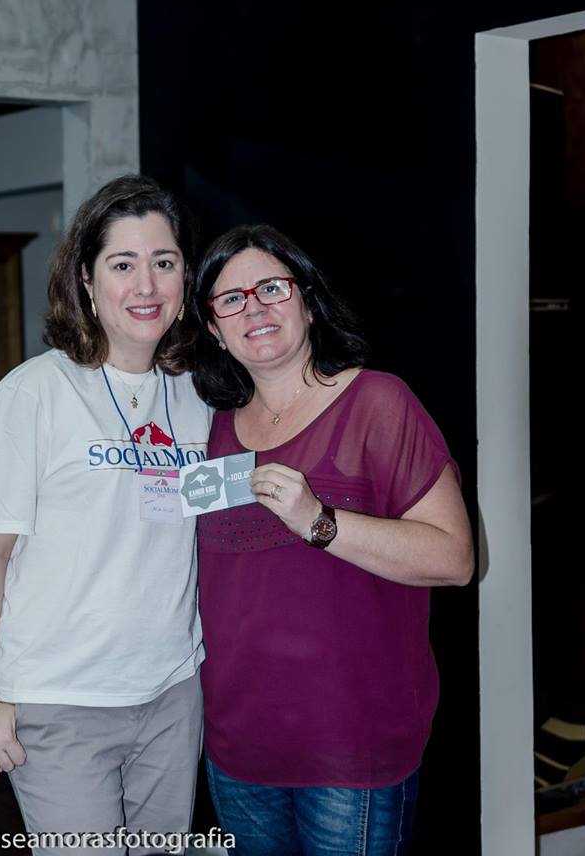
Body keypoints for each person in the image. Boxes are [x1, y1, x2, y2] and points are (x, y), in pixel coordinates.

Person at [191, 224, 474, 856]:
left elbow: (454, 558)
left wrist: (320, 521)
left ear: (309, 301)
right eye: (231, 299)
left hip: (351, 750)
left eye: (271, 288)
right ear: (213, 328)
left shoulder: (378, 402)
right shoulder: (206, 431)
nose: (254, 308)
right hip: (237, 749)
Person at [0, 175, 212, 854]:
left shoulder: (199, 396)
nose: (146, 285)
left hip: (171, 694)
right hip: (61, 700)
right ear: (87, 280)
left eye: (164, 262)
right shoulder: (33, 395)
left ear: (186, 276)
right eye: (122, 265)